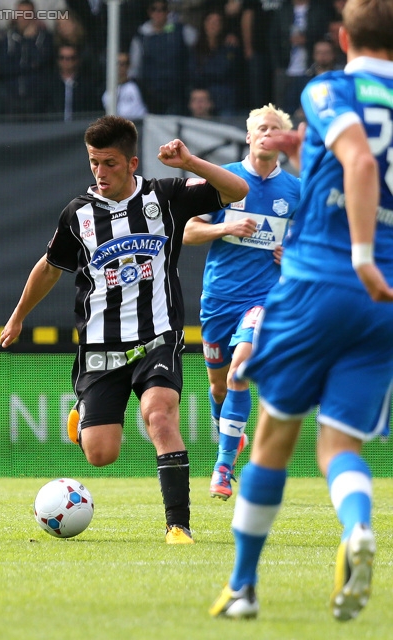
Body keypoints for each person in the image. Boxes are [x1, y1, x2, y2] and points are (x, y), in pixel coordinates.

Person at [210, 0, 393, 621]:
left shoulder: (329, 87)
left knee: (275, 435)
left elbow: (361, 160)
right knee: (339, 441)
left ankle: (242, 587)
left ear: (342, 37)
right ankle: (358, 526)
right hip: (383, 302)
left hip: (319, 282)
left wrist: (361, 252)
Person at [0, 115, 250, 544]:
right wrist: (18, 315)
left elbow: (237, 190)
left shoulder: (165, 197)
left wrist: (189, 162)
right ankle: (83, 423)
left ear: (132, 163)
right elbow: (50, 268)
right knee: (101, 454)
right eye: (94, 162)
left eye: (109, 163)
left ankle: (178, 526)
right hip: (100, 347)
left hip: (158, 336)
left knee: (160, 416)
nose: (100, 172)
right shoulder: (77, 214)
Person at [183, 103, 300, 501]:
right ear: (249, 137)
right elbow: (187, 231)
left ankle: (222, 468)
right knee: (219, 385)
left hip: (265, 299)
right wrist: (226, 226)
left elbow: (317, 244)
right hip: (219, 298)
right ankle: (231, 438)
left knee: (240, 371)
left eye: (274, 129)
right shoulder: (226, 180)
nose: (267, 133)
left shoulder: (296, 192)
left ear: (283, 142)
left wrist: (296, 256)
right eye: (260, 128)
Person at [128, 0, 193, 115]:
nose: (158, 13)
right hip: (151, 96)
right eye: (154, 9)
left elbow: (199, 42)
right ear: (149, 12)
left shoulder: (181, 30)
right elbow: (135, 68)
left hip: (177, 94)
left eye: (162, 9)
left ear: (168, 12)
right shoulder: (140, 36)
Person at [0, 0, 55, 115]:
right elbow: (4, 68)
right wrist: (30, 66)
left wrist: (29, 40)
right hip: (11, 97)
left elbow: (42, 63)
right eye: (20, 13)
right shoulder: (6, 40)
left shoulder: (45, 39)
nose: (23, 18)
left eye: (27, 14)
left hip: (37, 98)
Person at [189, 9, 242, 116]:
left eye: (217, 22)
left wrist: (204, 73)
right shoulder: (195, 49)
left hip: (224, 100)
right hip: (202, 102)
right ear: (204, 24)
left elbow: (224, 71)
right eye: (210, 21)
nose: (213, 25)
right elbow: (192, 73)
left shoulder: (229, 47)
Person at [45, 44, 100, 119]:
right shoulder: (48, 84)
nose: (66, 61)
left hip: (79, 128)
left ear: (77, 60)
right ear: (58, 60)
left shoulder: (87, 85)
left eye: (71, 58)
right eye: (62, 58)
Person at [102, 51, 147, 119]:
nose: (119, 67)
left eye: (123, 64)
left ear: (128, 66)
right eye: (117, 63)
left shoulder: (138, 87)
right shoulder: (105, 88)